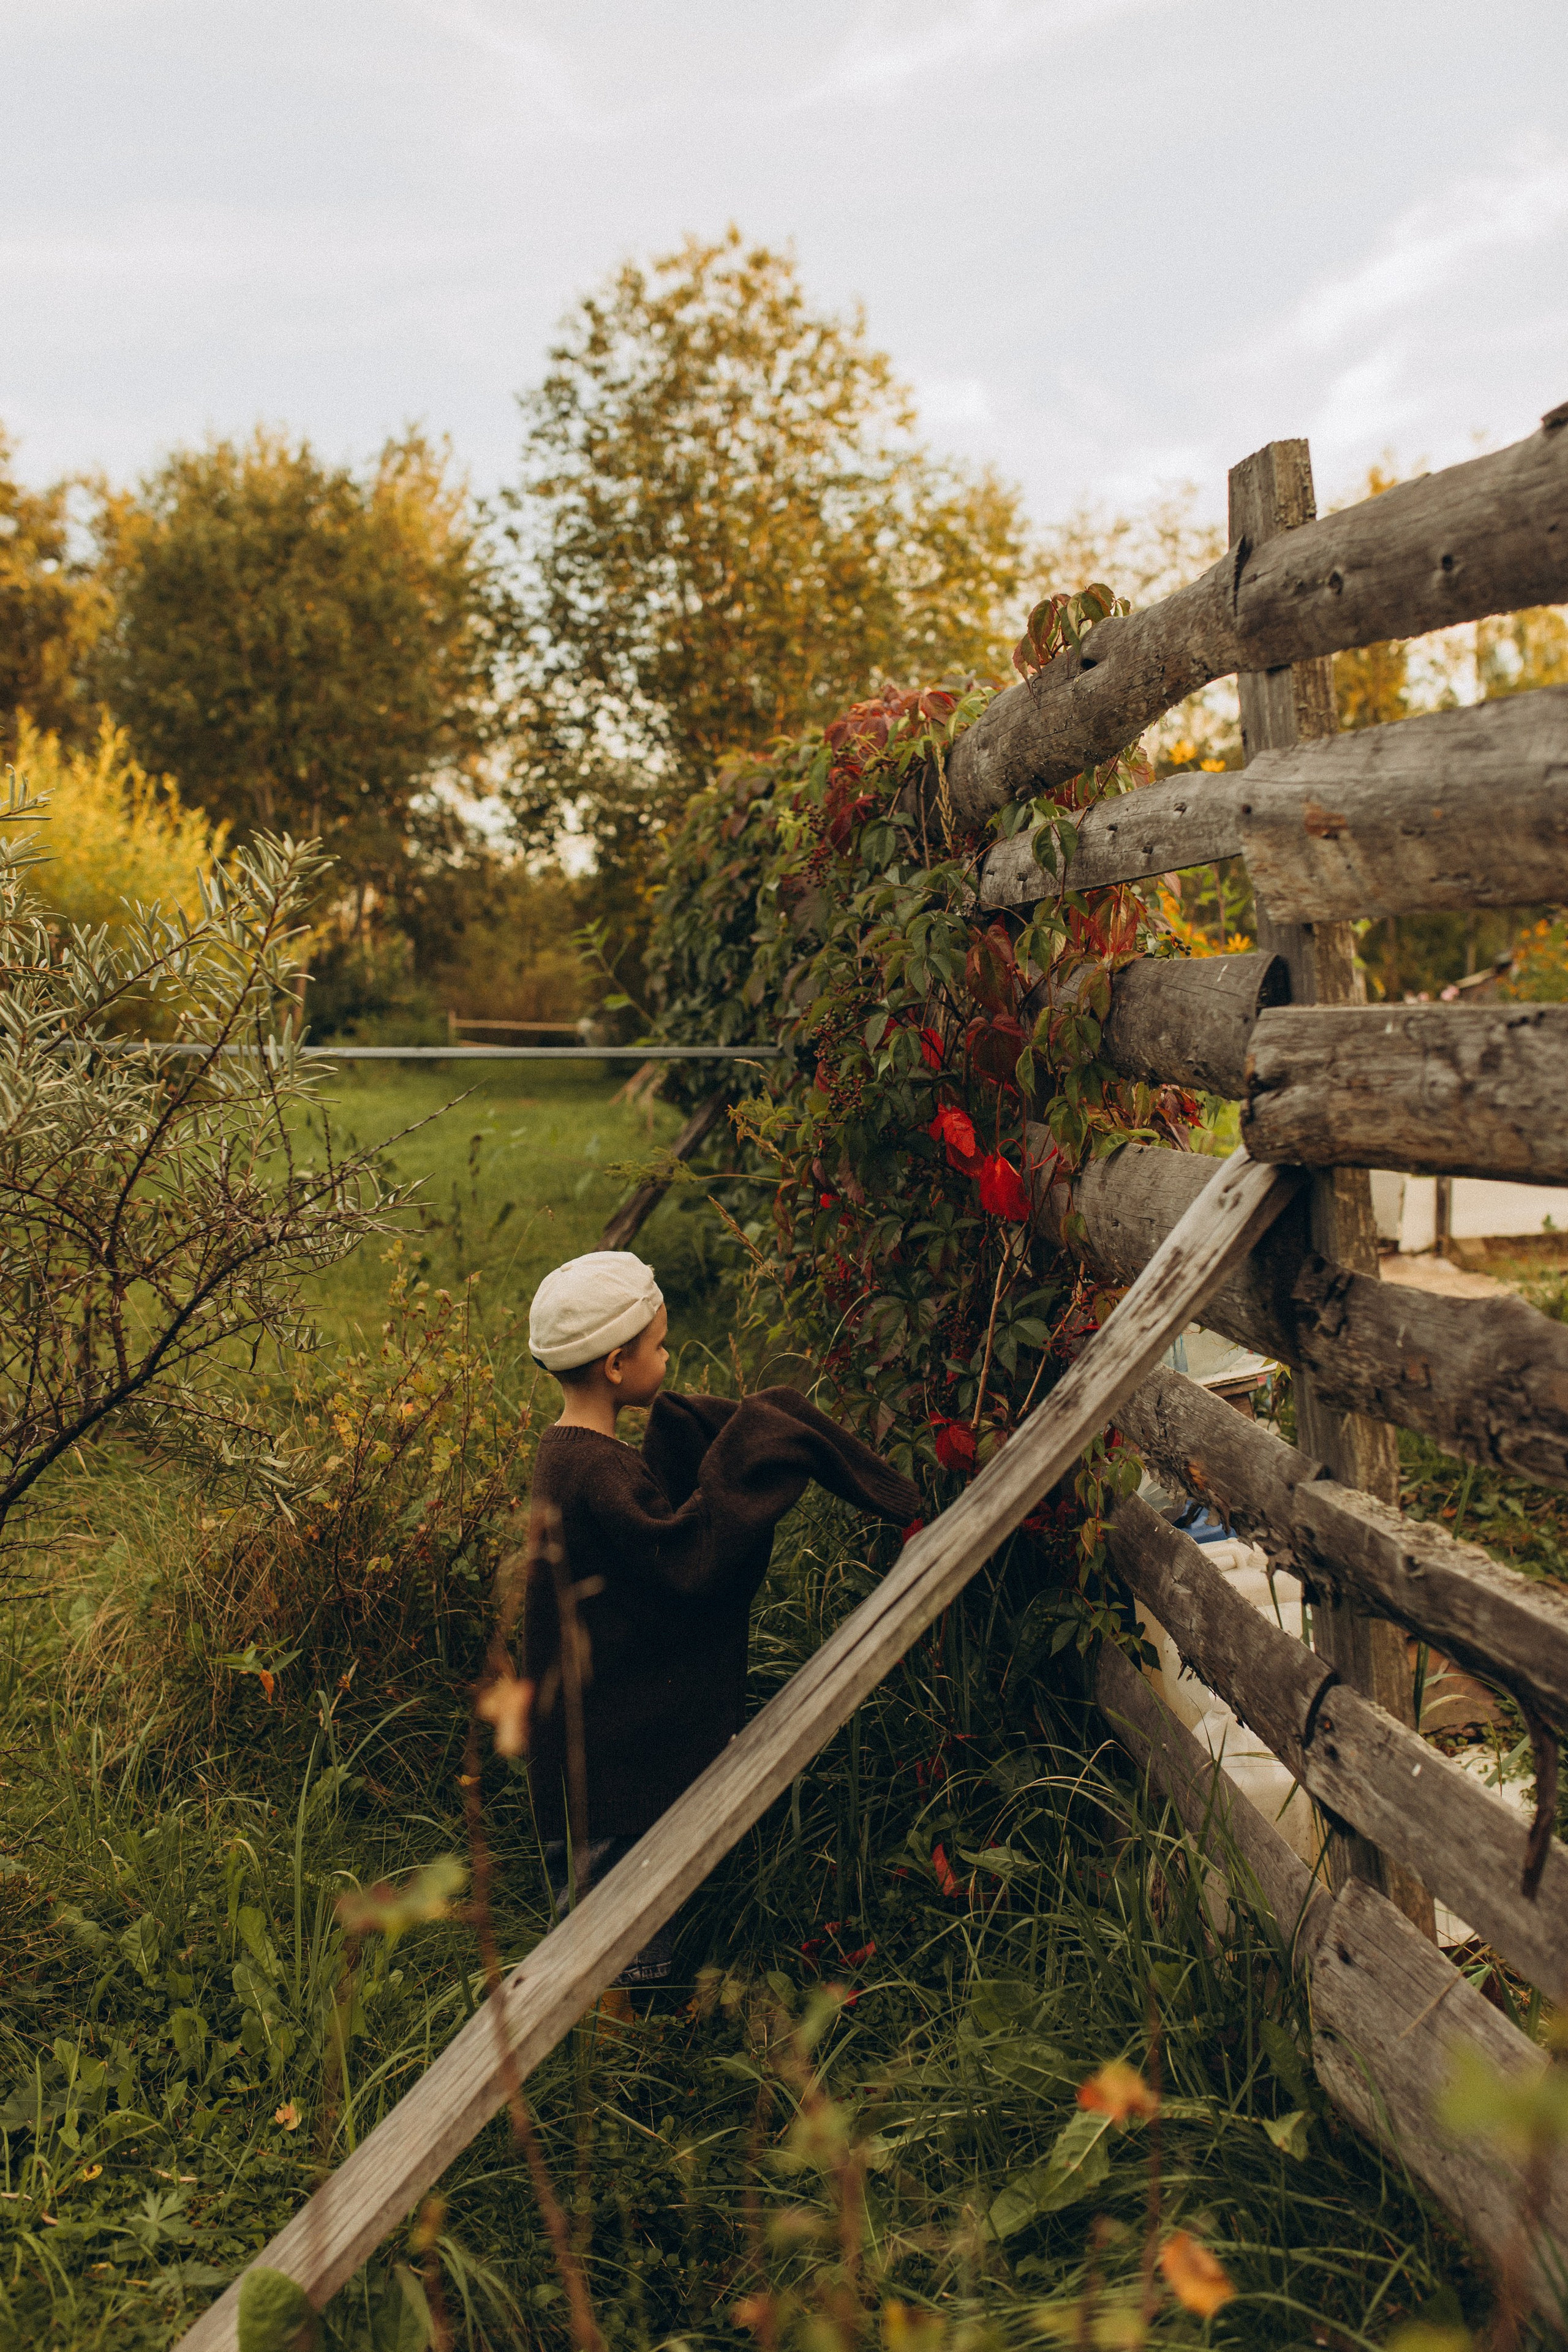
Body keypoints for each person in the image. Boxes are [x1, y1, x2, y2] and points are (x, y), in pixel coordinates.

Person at [518, 1248, 919, 1988]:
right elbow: (683, 1563)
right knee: (613, 1946)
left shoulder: (571, 1452)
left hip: (590, 1748)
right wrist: (746, 1460)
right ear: (614, 1366)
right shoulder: (597, 1469)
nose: (667, 1358)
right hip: (605, 1765)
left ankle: (619, 2034)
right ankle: (622, 2061)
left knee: (611, 1919)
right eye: (659, 1346)